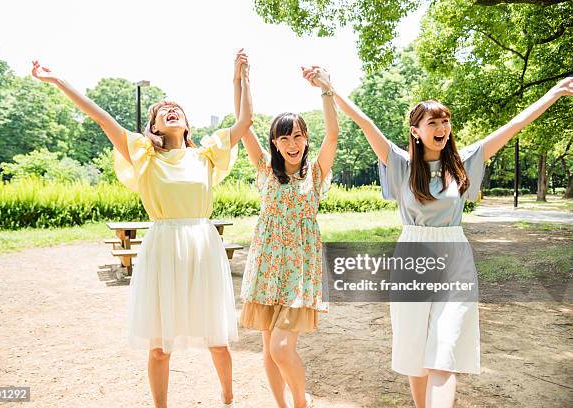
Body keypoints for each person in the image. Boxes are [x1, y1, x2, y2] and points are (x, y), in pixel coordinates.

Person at [329, 76, 573, 407]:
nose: (442, 126)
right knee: (414, 350)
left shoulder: (462, 160)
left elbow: (514, 125)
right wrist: (331, 89)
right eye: (433, 121)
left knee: (443, 351)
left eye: (445, 120)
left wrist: (553, 94)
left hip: (454, 257)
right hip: (412, 256)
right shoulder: (400, 164)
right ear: (416, 131)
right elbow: (365, 122)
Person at [31, 55, 254, 407]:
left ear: (186, 123)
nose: (170, 110)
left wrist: (240, 78)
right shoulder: (143, 155)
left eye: (176, 108)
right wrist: (59, 81)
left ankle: (227, 398)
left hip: (202, 244)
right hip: (163, 245)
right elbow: (100, 116)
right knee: (160, 346)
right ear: (153, 126)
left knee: (217, 339)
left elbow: (245, 120)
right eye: (161, 111)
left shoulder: (206, 155)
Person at [233, 54, 339, 408]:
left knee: (280, 347)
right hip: (266, 267)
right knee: (268, 349)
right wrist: (242, 79)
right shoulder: (264, 168)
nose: (292, 144)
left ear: (306, 139)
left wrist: (326, 90)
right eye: (284, 138)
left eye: (297, 136)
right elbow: (243, 124)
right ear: (275, 144)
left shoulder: (316, 173)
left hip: (300, 271)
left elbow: (334, 135)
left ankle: (300, 402)